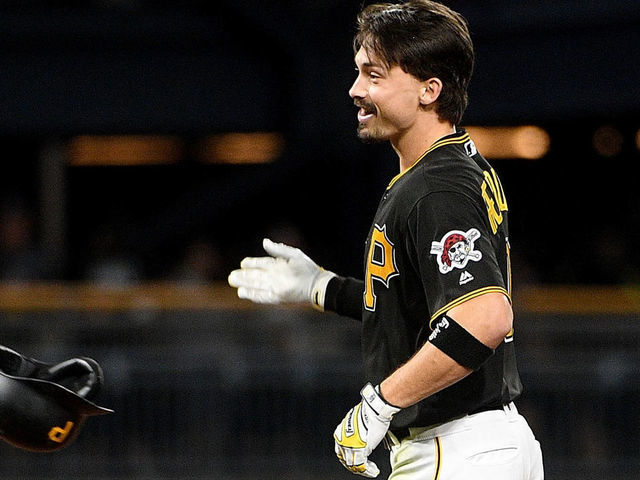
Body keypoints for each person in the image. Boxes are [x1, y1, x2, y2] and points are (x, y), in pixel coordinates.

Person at [228, 1, 544, 479]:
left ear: (428, 90)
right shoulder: (451, 167)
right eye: (358, 73)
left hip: (455, 448)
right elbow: (419, 305)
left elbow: (484, 317)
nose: (356, 89)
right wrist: (323, 287)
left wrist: (378, 405)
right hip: (477, 446)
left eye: (374, 75)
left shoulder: (435, 185)